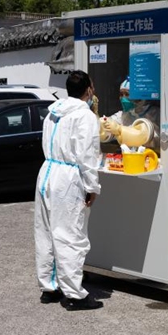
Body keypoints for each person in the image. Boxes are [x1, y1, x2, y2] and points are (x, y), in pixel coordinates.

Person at [34, 70, 104, 311]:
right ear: (88, 89)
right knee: (70, 234)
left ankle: (49, 287)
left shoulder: (53, 113)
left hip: (47, 172)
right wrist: (92, 186)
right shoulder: (84, 116)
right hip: (68, 177)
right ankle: (74, 294)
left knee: (45, 231)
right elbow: (87, 155)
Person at [101, 77, 160, 149]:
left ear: (138, 96)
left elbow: (143, 136)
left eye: (127, 94)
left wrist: (119, 130)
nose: (123, 98)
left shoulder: (155, 114)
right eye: (121, 94)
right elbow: (107, 129)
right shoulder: (123, 115)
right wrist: (102, 125)